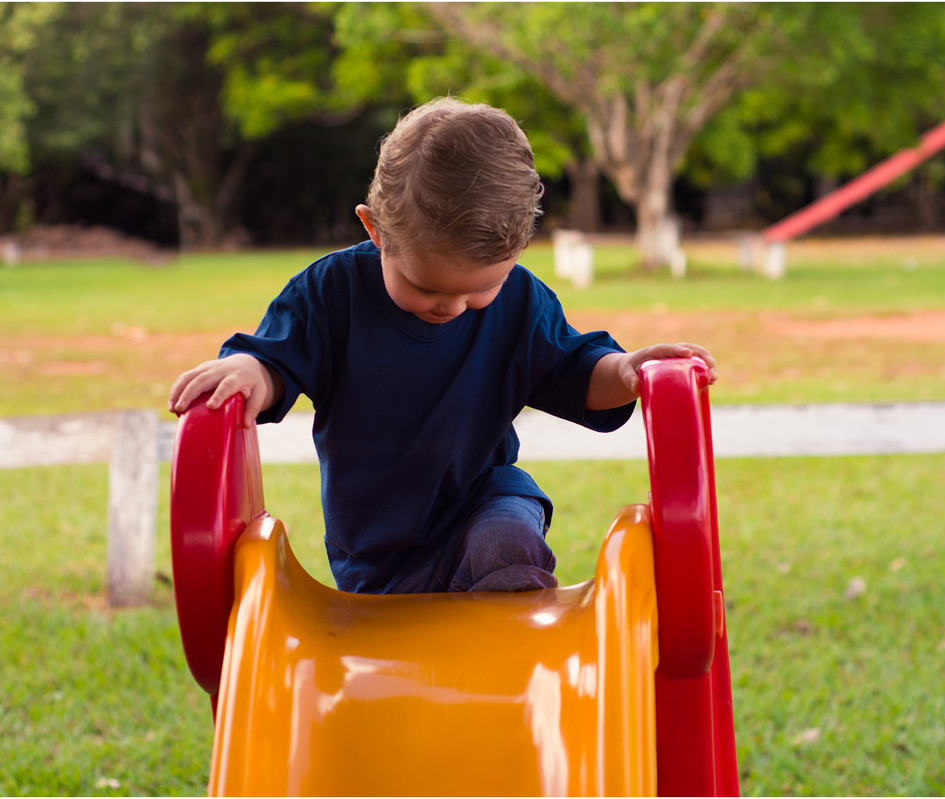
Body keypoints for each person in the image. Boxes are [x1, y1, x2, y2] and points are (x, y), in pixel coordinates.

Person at [168, 97, 715, 595]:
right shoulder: (330, 293)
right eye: (427, 288)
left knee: (507, 540)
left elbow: (573, 370)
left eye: (482, 289)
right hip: (378, 551)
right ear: (376, 230)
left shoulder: (522, 300)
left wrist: (625, 371)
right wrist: (248, 370)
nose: (453, 306)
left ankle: (518, 660)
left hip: (486, 503)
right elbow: (276, 359)